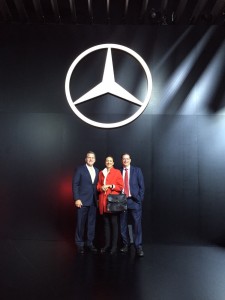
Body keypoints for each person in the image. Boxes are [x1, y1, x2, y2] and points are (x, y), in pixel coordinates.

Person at [72, 151, 99, 254]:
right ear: (86, 159)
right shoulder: (80, 169)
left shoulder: (97, 170)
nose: (91, 159)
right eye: (89, 157)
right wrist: (77, 199)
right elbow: (75, 185)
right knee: (80, 223)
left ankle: (90, 243)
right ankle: (79, 244)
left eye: (92, 157)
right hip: (82, 201)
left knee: (91, 224)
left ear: (95, 160)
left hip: (93, 202)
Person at [119, 153, 145, 257]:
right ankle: (126, 244)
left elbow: (142, 186)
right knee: (123, 224)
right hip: (122, 201)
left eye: (127, 159)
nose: (125, 161)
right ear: (122, 161)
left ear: (130, 160)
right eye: (123, 159)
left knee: (137, 225)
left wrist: (139, 199)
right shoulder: (118, 171)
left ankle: (138, 246)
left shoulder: (137, 170)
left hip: (134, 201)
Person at [97, 156, 124, 255]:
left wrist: (110, 186)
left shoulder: (117, 172)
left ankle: (114, 246)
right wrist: (101, 188)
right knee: (106, 225)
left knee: (114, 224)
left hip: (113, 203)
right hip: (103, 202)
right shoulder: (101, 173)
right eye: (107, 160)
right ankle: (107, 245)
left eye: (110, 161)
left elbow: (121, 186)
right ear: (105, 162)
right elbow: (98, 186)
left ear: (113, 163)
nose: (108, 162)